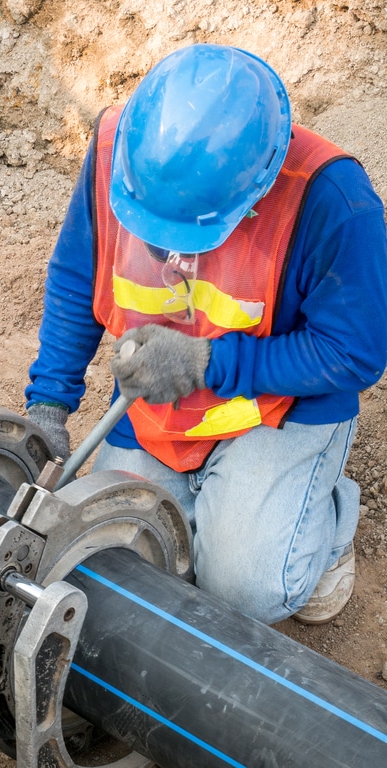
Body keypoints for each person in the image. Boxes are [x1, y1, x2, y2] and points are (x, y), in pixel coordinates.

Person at [25, 44, 387, 626]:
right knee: (117, 556)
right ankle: (227, 506)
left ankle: (331, 518)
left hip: (276, 408)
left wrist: (204, 363)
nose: (169, 253)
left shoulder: (333, 200)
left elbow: (353, 354)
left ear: (259, 187)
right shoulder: (121, 151)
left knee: (244, 592)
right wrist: (48, 402)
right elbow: (77, 276)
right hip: (163, 408)